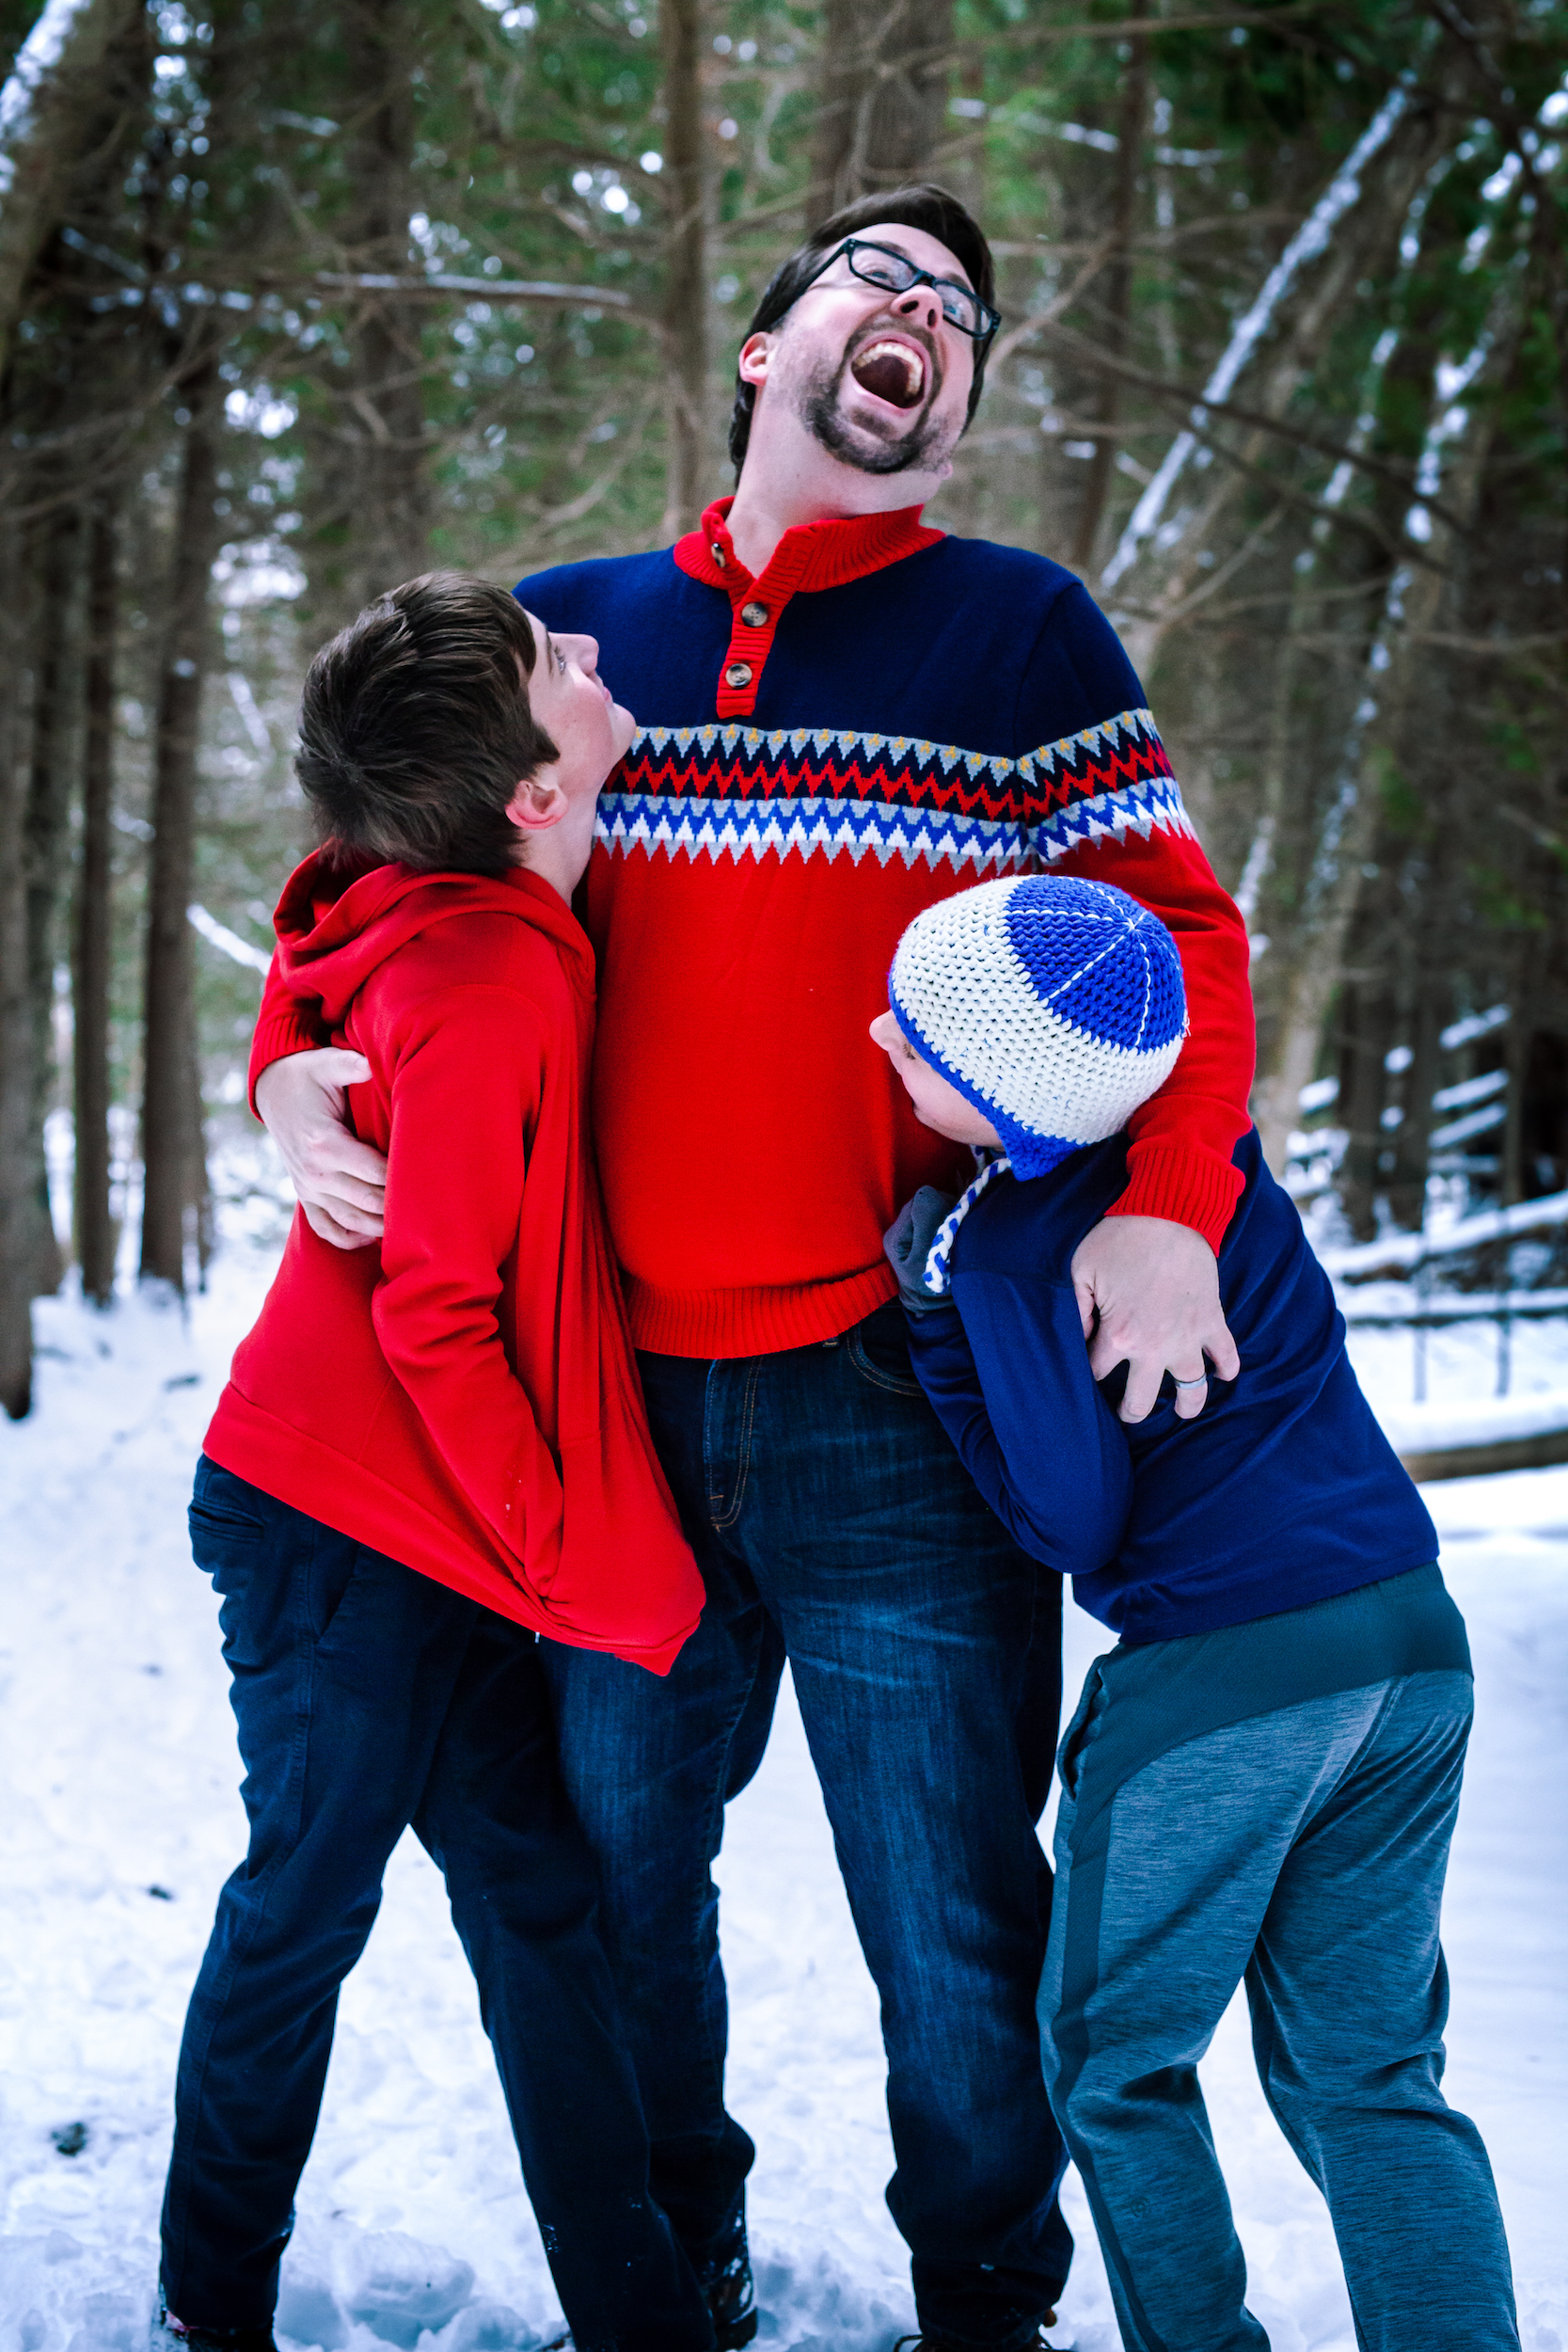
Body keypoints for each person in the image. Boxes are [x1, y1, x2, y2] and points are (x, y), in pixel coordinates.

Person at [247, 185, 1258, 2351]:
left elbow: (1182, 936)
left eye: (963, 313)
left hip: (894, 1390)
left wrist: (1173, 1195)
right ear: (764, 345)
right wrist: (288, 1072)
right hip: (600, 1393)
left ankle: (984, 2299)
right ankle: (674, 2270)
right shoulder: (570, 641)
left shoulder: (1021, 634)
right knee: (623, 1884)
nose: (928, 315)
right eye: (882, 280)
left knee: (957, 1911)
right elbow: (367, 889)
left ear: (959, 403)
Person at [159, 575, 713, 2352]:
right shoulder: (487, 978)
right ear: (534, 791)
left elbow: (325, 905)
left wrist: (283, 1071)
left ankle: (639, 2311)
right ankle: (205, 2303)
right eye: (559, 662)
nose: (591, 649)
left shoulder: (486, 907)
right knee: (304, 1906)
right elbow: (438, 1314)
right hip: (338, 1521)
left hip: (434, 1516)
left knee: (539, 1906)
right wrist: (557, 1552)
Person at [876, 871, 1521, 2352]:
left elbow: (1067, 1521)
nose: (882, 1036)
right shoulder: (1209, 1165)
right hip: (1411, 1639)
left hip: (1224, 1675)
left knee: (1117, 2064)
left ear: (1009, 1094)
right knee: (1371, 2069)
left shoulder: (1010, 1254)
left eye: (919, 1033)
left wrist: (939, 1330)